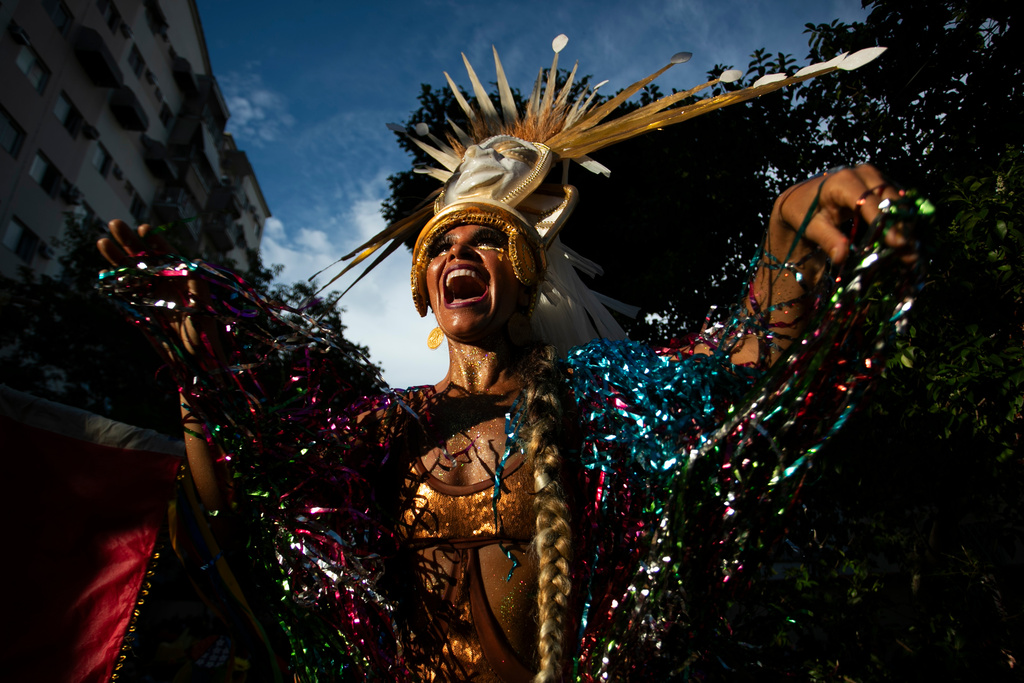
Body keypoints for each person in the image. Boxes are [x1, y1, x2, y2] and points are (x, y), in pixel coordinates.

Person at [97, 39, 925, 682]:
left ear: (524, 276)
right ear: (426, 285)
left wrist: (784, 237)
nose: (462, 250)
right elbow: (237, 509)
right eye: (443, 244)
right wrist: (199, 380)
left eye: (488, 238)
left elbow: (742, 373)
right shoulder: (385, 425)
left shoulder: (596, 395)